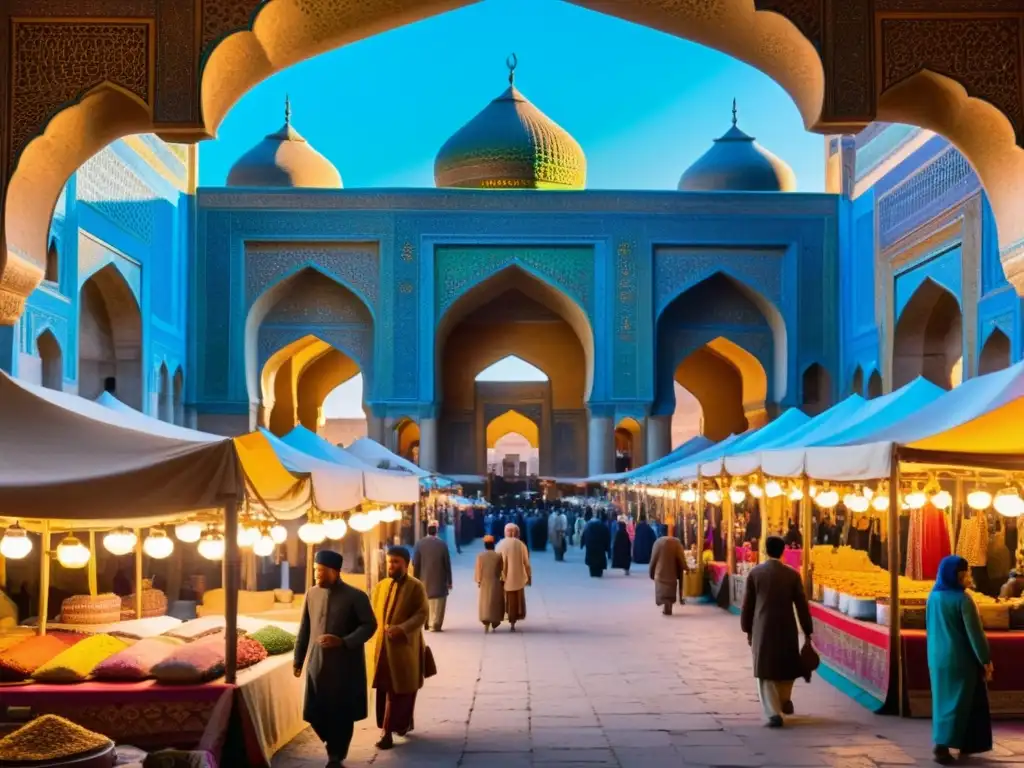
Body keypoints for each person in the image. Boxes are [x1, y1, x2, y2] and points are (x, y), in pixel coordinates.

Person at [293, 550, 378, 768]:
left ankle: (336, 755)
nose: (317, 576)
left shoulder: (356, 596)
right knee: (314, 712)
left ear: (334, 571)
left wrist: (343, 641)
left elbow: (369, 625)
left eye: (321, 571)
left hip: (344, 666)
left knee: (342, 713)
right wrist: (298, 660)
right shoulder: (312, 594)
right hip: (317, 664)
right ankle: (332, 745)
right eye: (315, 571)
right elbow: (305, 628)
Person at [740, 535, 813, 728]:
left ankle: (773, 712)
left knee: (766, 670)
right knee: (786, 665)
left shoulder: (755, 574)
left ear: (765, 550)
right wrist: (807, 630)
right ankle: (784, 699)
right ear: (783, 551)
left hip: (762, 626)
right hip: (786, 626)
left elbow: (748, 605)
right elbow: (802, 605)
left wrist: (747, 628)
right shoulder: (792, 575)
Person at [927, 555, 993, 764]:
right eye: (965, 573)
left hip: (937, 658)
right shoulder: (963, 600)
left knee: (943, 702)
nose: (968, 577)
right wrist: (985, 659)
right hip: (960, 660)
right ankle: (942, 747)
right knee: (956, 703)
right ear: (955, 575)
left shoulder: (933, 597)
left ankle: (967, 742)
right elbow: (975, 635)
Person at [370, 546, 429, 751]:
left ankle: (394, 729)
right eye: (389, 561)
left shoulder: (416, 587)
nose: (391, 565)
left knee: (401, 689)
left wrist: (402, 629)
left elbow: (422, 614)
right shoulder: (381, 586)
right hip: (382, 649)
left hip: (404, 649)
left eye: (396, 562)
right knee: (386, 689)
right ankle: (388, 729)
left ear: (406, 564)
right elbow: (372, 613)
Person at [412, 522, 452, 632]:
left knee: (425, 602)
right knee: (439, 603)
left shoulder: (419, 544)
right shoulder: (442, 544)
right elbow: (447, 563)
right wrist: (449, 580)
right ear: (436, 532)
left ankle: (427, 623)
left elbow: (416, 563)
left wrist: (414, 580)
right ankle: (436, 624)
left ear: (427, 531)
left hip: (424, 579)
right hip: (440, 579)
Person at [495, 523, 531, 631]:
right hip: (519, 578)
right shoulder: (521, 545)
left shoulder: (500, 544)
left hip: (505, 579)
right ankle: (514, 620)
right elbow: (526, 563)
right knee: (517, 601)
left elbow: (496, 562)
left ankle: (509, 618)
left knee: (508, 600)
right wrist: (529, 576)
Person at [649, 534, 688, 615]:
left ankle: (666, 606)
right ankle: (668, 606)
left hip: (660, 572)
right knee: (670, 590)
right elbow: (681, 559)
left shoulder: (658, 543)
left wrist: (651, 573)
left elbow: (653, 560)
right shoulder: (677, 543)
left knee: (662, 591)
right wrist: (685, 567)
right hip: (672, 573)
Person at [475, 535, 505, 632]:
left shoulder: (480, 556)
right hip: (496, 582)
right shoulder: (498, 556)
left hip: (484, 582)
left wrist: (479, 581)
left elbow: (478, 570)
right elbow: (501, 570)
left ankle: (486, 623)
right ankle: (494, 622)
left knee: (485, 603)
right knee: (495, 603)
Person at [582, 511, 611, 578]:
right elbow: (607, 537)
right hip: (600, 548)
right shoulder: (603, 526)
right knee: (599, 560)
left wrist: (583, 544)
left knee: (591, 561)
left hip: (590, 546)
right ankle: (599, 572)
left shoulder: (589, 525)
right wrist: (607, 548)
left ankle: (592, 572)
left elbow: (584, 535)